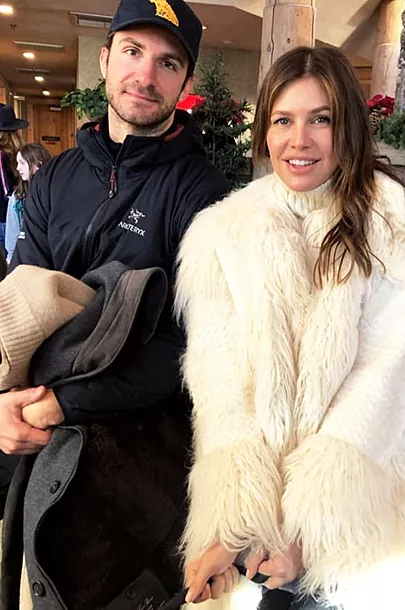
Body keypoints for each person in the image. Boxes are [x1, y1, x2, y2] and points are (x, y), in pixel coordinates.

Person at [175, 46, 405, 610]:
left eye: (320, 119)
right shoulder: (220, 236)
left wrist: (309, 531)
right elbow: (221, 387)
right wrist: (233, 527)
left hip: (378, 524)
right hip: (261, 539)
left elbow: (385, 384)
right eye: (283, 120)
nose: (298, 140)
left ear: (347, 126)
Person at [0, 0, 230, 607]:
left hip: (141, 462)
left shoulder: (203, 194)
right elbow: (20, 307)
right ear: (105, 59)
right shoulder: (55, 179)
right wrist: (7, 403)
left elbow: (188, 347)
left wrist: (63, 401)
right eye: (132, 52)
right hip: (38, 437)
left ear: (184, 81)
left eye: (168, 63)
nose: (145, 76)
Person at [5, 143, 52, 263]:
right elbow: (12, 237)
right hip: (25, 259)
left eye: (22, 163)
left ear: (38, 164)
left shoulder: (54, 191)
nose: (17, 168)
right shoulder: (18, 197)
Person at [0, 104, 28, 253]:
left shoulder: (2, 155)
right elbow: (7, 191)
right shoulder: (15, 153)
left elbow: (6, 191)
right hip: (11, 215)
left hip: (5, 217)